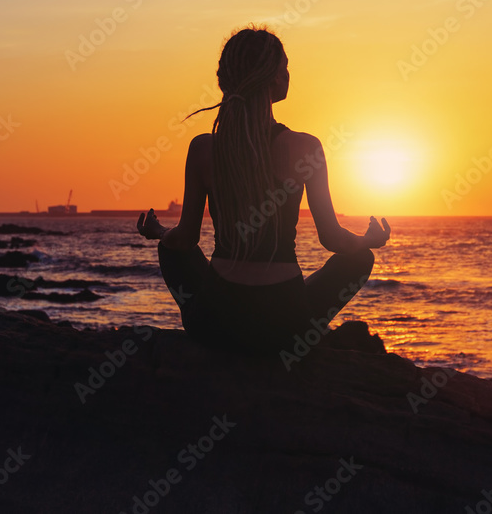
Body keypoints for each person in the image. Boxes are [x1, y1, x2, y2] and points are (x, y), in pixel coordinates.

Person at [136, 25, 390, 354]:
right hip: (286, 330)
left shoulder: (203, 148)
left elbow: (185, 239)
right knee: (359, 260)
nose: (288, 75)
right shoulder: (305, 147)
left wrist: (159, 232)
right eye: (284, 68)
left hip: (214, 324)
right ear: (270, 78)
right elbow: (333, 239)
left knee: (170, 248)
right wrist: (368, 240)